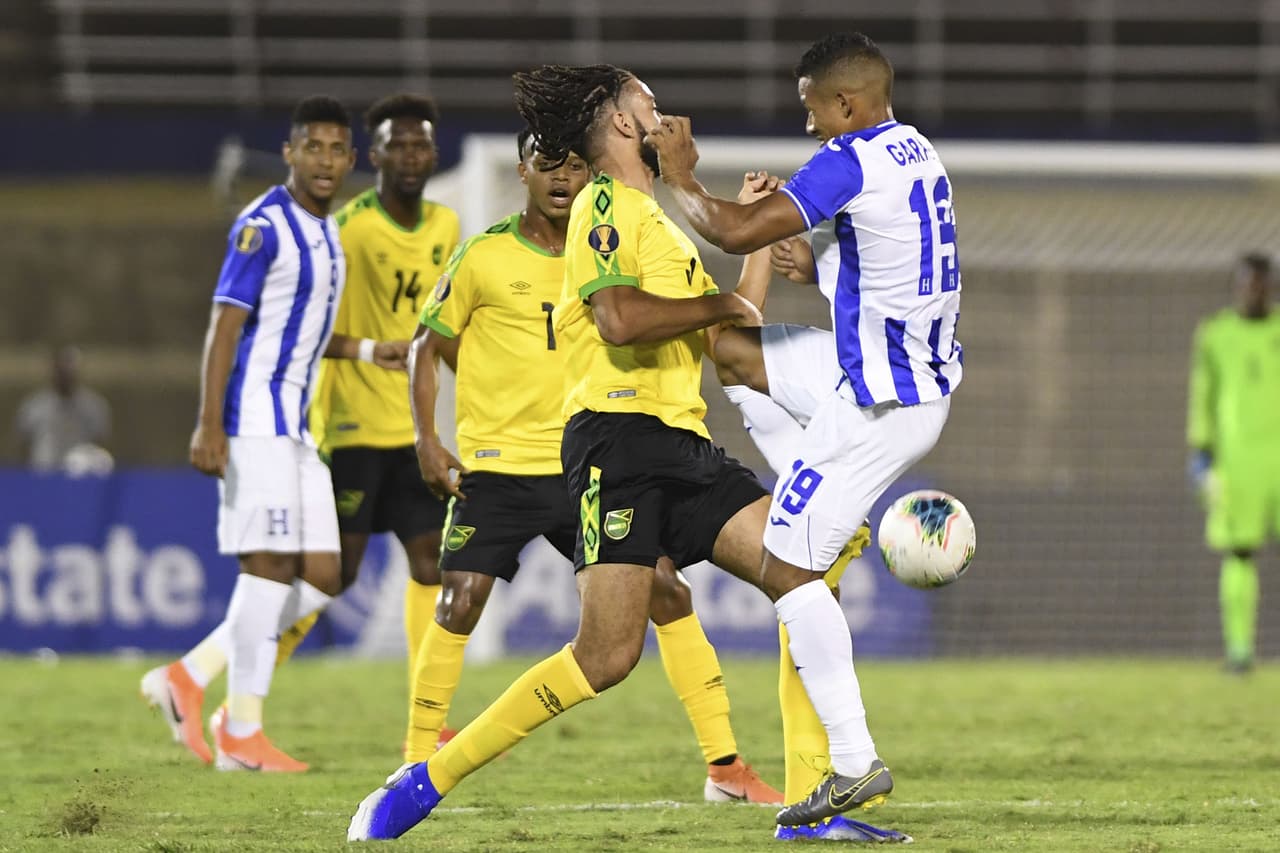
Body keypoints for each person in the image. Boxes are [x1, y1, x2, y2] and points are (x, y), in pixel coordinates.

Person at [348, 57, 897, 841]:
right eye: (653, 106)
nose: (667, 116)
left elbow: (727, 330)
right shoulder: (604, 204)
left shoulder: (661, 220)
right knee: (606, 657)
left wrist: (747, 241)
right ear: (622, 126)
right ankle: (425, 780)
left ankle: (817, 807)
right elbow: (617, 319)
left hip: (684, 443)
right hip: (617, 441)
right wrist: (717, 293)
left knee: (802, 573)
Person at [392, 127, 781, 806]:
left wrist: (750, 254)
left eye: (575, 165)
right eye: (548, 166)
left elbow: (709, 331)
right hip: (504, 466)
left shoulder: (618, 243)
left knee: (667, 593)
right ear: (522, 172)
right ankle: (417, 754)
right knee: (461, 596)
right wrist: (428, 437)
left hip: (586, 464)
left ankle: (725, 765)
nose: (562, 178)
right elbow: (429, 343)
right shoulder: (484, 254)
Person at [645, 32, 963, 827]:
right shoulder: (913, 149)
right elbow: (895, 254)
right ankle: (813, 496)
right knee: (738, 354)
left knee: (787, 567)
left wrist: (679, 175)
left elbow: (724, 229)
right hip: (891, 375)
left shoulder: (846, 159)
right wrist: (817, 259)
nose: (810, 124)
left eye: (813, 107)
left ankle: (853, 764)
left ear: (846, 104)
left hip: (879, 406)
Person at [140, 95, 408, 772]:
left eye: (334, 149)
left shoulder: (326, 232)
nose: (323, 160)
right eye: (309, 147)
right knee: (269, 569)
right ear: (289, 153)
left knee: (324, 573)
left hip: (298, 428)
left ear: (350, 160)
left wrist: (372, 350)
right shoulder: (261, 226)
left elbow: (303, 333)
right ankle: (242, 731)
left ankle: (188, 675)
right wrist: (209, 423)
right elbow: (225, 327)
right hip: (255, 421)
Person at [300, 93, 459, 682]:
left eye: (421, 144)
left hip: (414, 430)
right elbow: (309, 330)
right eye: (400, 145)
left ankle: (426, 712)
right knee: (337, 574)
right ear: (377, 154)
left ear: (433, 153)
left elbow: (445, 325)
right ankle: (244, 680)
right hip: (353, 427)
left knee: (430, 564)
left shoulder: (447, 225)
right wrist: (369, 351)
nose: (412, 155)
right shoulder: (348, 230)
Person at [1187, 252, 1280, 674]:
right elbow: (1203, 396)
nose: (1254, 290)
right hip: (1237, 464)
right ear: (1236, 286)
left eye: (1261, 283)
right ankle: (1240, 652)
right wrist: (1201, 454)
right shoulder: (1215, 335)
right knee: (1240, 553)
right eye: (1247, 283)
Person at [14, 345, 111, 472]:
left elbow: (101, 446)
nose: (65, 373)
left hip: (80, 477)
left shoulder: (94, 406)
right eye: (61, 368)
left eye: (70, 367)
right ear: (53, 369)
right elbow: (21, 445)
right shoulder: (33, 406)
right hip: (41, 475)